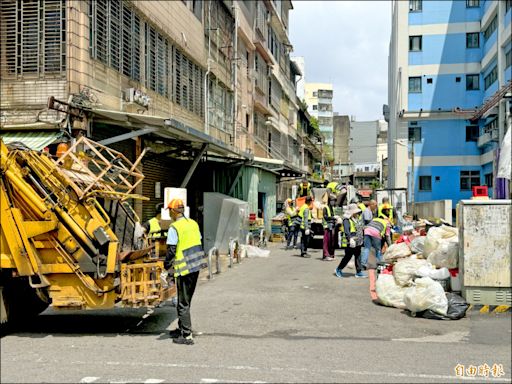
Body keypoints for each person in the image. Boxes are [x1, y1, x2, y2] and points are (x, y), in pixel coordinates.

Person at [164, 198, 207, 345]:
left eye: (169, 210)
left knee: (182, 302)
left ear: (173, 211)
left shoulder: (174, 227)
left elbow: (172, 249)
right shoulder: (193, 223)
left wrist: (166, 265)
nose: (169, 213)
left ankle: (187, 335)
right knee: (187, 300)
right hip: (196, 267)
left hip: (184, 269)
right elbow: (198, 242)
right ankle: (182, 327)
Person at [335, 203, 365, 278]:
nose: (357, 213)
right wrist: (350, 239)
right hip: (351, 241)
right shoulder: (346, 220)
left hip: (357, 241)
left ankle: (359, 271)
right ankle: (338, 269)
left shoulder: (355, 218)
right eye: (355, 212)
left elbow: (359, 227)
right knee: (348, 256)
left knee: (358, 256)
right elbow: (346, 230)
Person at [322, 194, 337, 261]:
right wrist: (333, 218)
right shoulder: (325, 208)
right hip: (327, 227)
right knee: (326, 242)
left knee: (332, 241)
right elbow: (325, 217)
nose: (333, 202)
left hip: (332, 226)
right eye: (332, 201)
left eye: (334, 201)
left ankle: (331, 255)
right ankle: (326, 255)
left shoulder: (332, 208)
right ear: (329, 201)